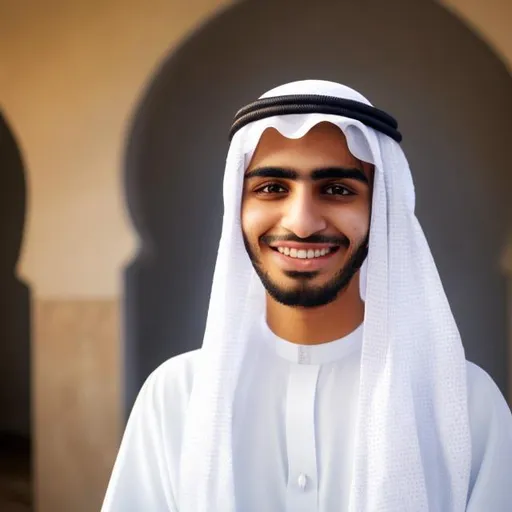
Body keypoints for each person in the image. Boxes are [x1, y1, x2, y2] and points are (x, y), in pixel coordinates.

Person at [102, 80, 512, 512]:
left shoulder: (465, 403)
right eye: (272, 188)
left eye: (337, 190)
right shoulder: (177, 394)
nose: (301, 223)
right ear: (237, 207)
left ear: (382, 210)